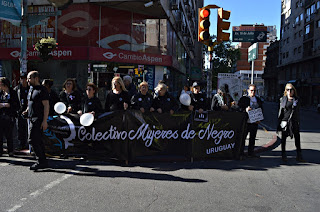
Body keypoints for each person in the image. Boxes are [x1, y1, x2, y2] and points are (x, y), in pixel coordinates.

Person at [22, 71, 50, 170]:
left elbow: (46, 106)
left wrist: (45, 121)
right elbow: (31, 103)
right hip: (31, 118)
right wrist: (26, 111)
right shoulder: (31, 89)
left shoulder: (42, 90)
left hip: (38, 119)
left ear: (36, 78)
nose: (28, 80)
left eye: (29, 78)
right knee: (38, 140)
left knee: (32, 140)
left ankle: (40, 161)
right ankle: (43, 161)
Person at [277, 83, 304, 162]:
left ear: (293, 90)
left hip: (294, 121)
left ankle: (299, 156)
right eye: (287, 89)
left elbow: (298, 111)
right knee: (283, 139)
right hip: (285, 121)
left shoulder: (296, 99)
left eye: (291, 89)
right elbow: (280, 111)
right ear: (285, 90)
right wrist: (279, 122)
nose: (289, 91)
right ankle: (283, 155)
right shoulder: (283, 99)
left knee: (297, 138)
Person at [238, 84, 263, 158]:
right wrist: (245, 110)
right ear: (248, 90)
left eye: (254, 90)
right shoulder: (244, 99)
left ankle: (251, 152)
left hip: (254, 122)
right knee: (243, 137)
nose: (253, 92)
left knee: (252, 138)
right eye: (251, 90)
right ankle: (241, 153)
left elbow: (261, 110)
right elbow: (239, 108)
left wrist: (260, 119)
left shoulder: (258, 100)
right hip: (246, 121)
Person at [0, 77, 20, 157]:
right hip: (1, 116)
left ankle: (10, 150)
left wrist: (7, 105)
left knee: (9, 134)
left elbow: (17, 105)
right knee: (0, 135)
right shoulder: (1, 93)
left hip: (9, 116)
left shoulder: (13, 92)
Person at [14, 74, 29, 150]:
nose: (23, 81)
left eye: (25, 79)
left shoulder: (30, 89)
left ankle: (28, 144)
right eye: (21, 79)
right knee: (20, 128)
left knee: (28, 129)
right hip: (20, 111)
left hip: (29, 112)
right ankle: (21, 144)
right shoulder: (17, 89)